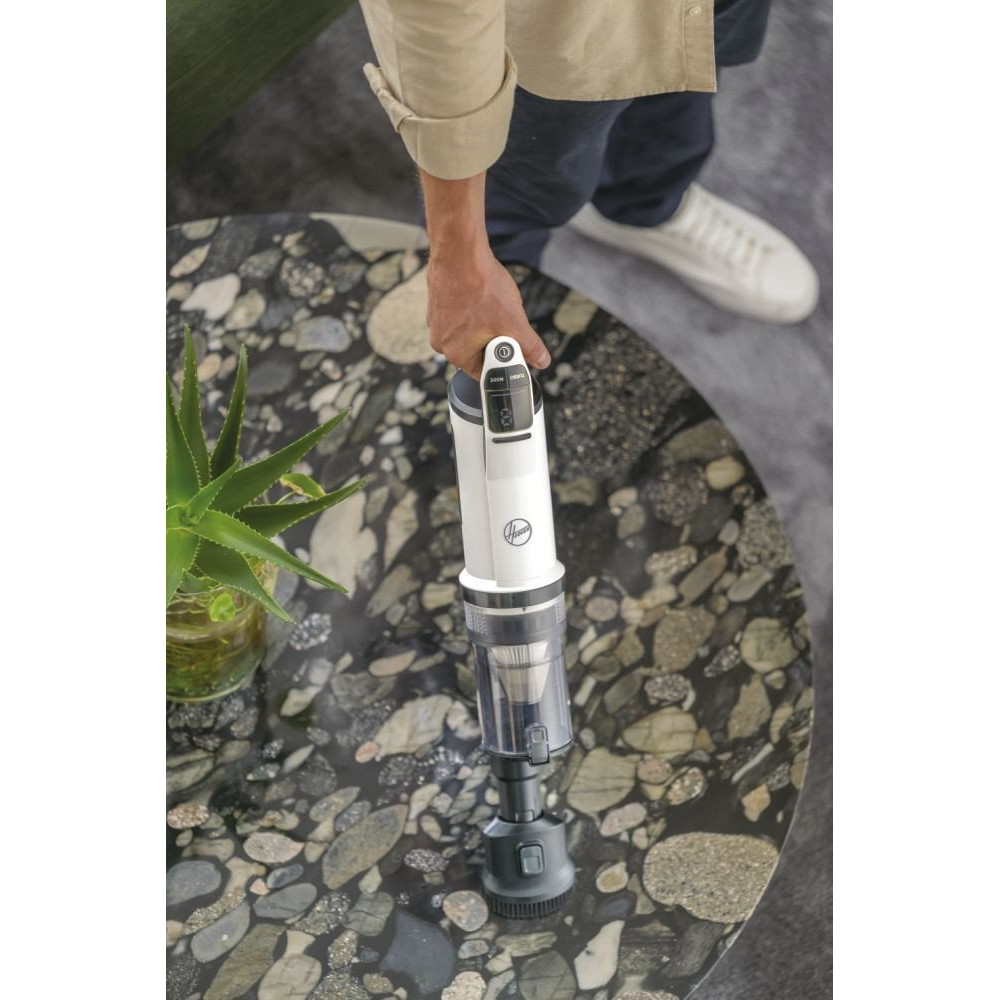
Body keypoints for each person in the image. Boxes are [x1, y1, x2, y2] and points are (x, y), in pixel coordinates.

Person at [359, 0, 818, 379]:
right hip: (557, 24)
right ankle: (493, 344)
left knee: (685, 75)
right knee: (517, 187)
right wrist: (460, 260)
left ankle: (644, 207)